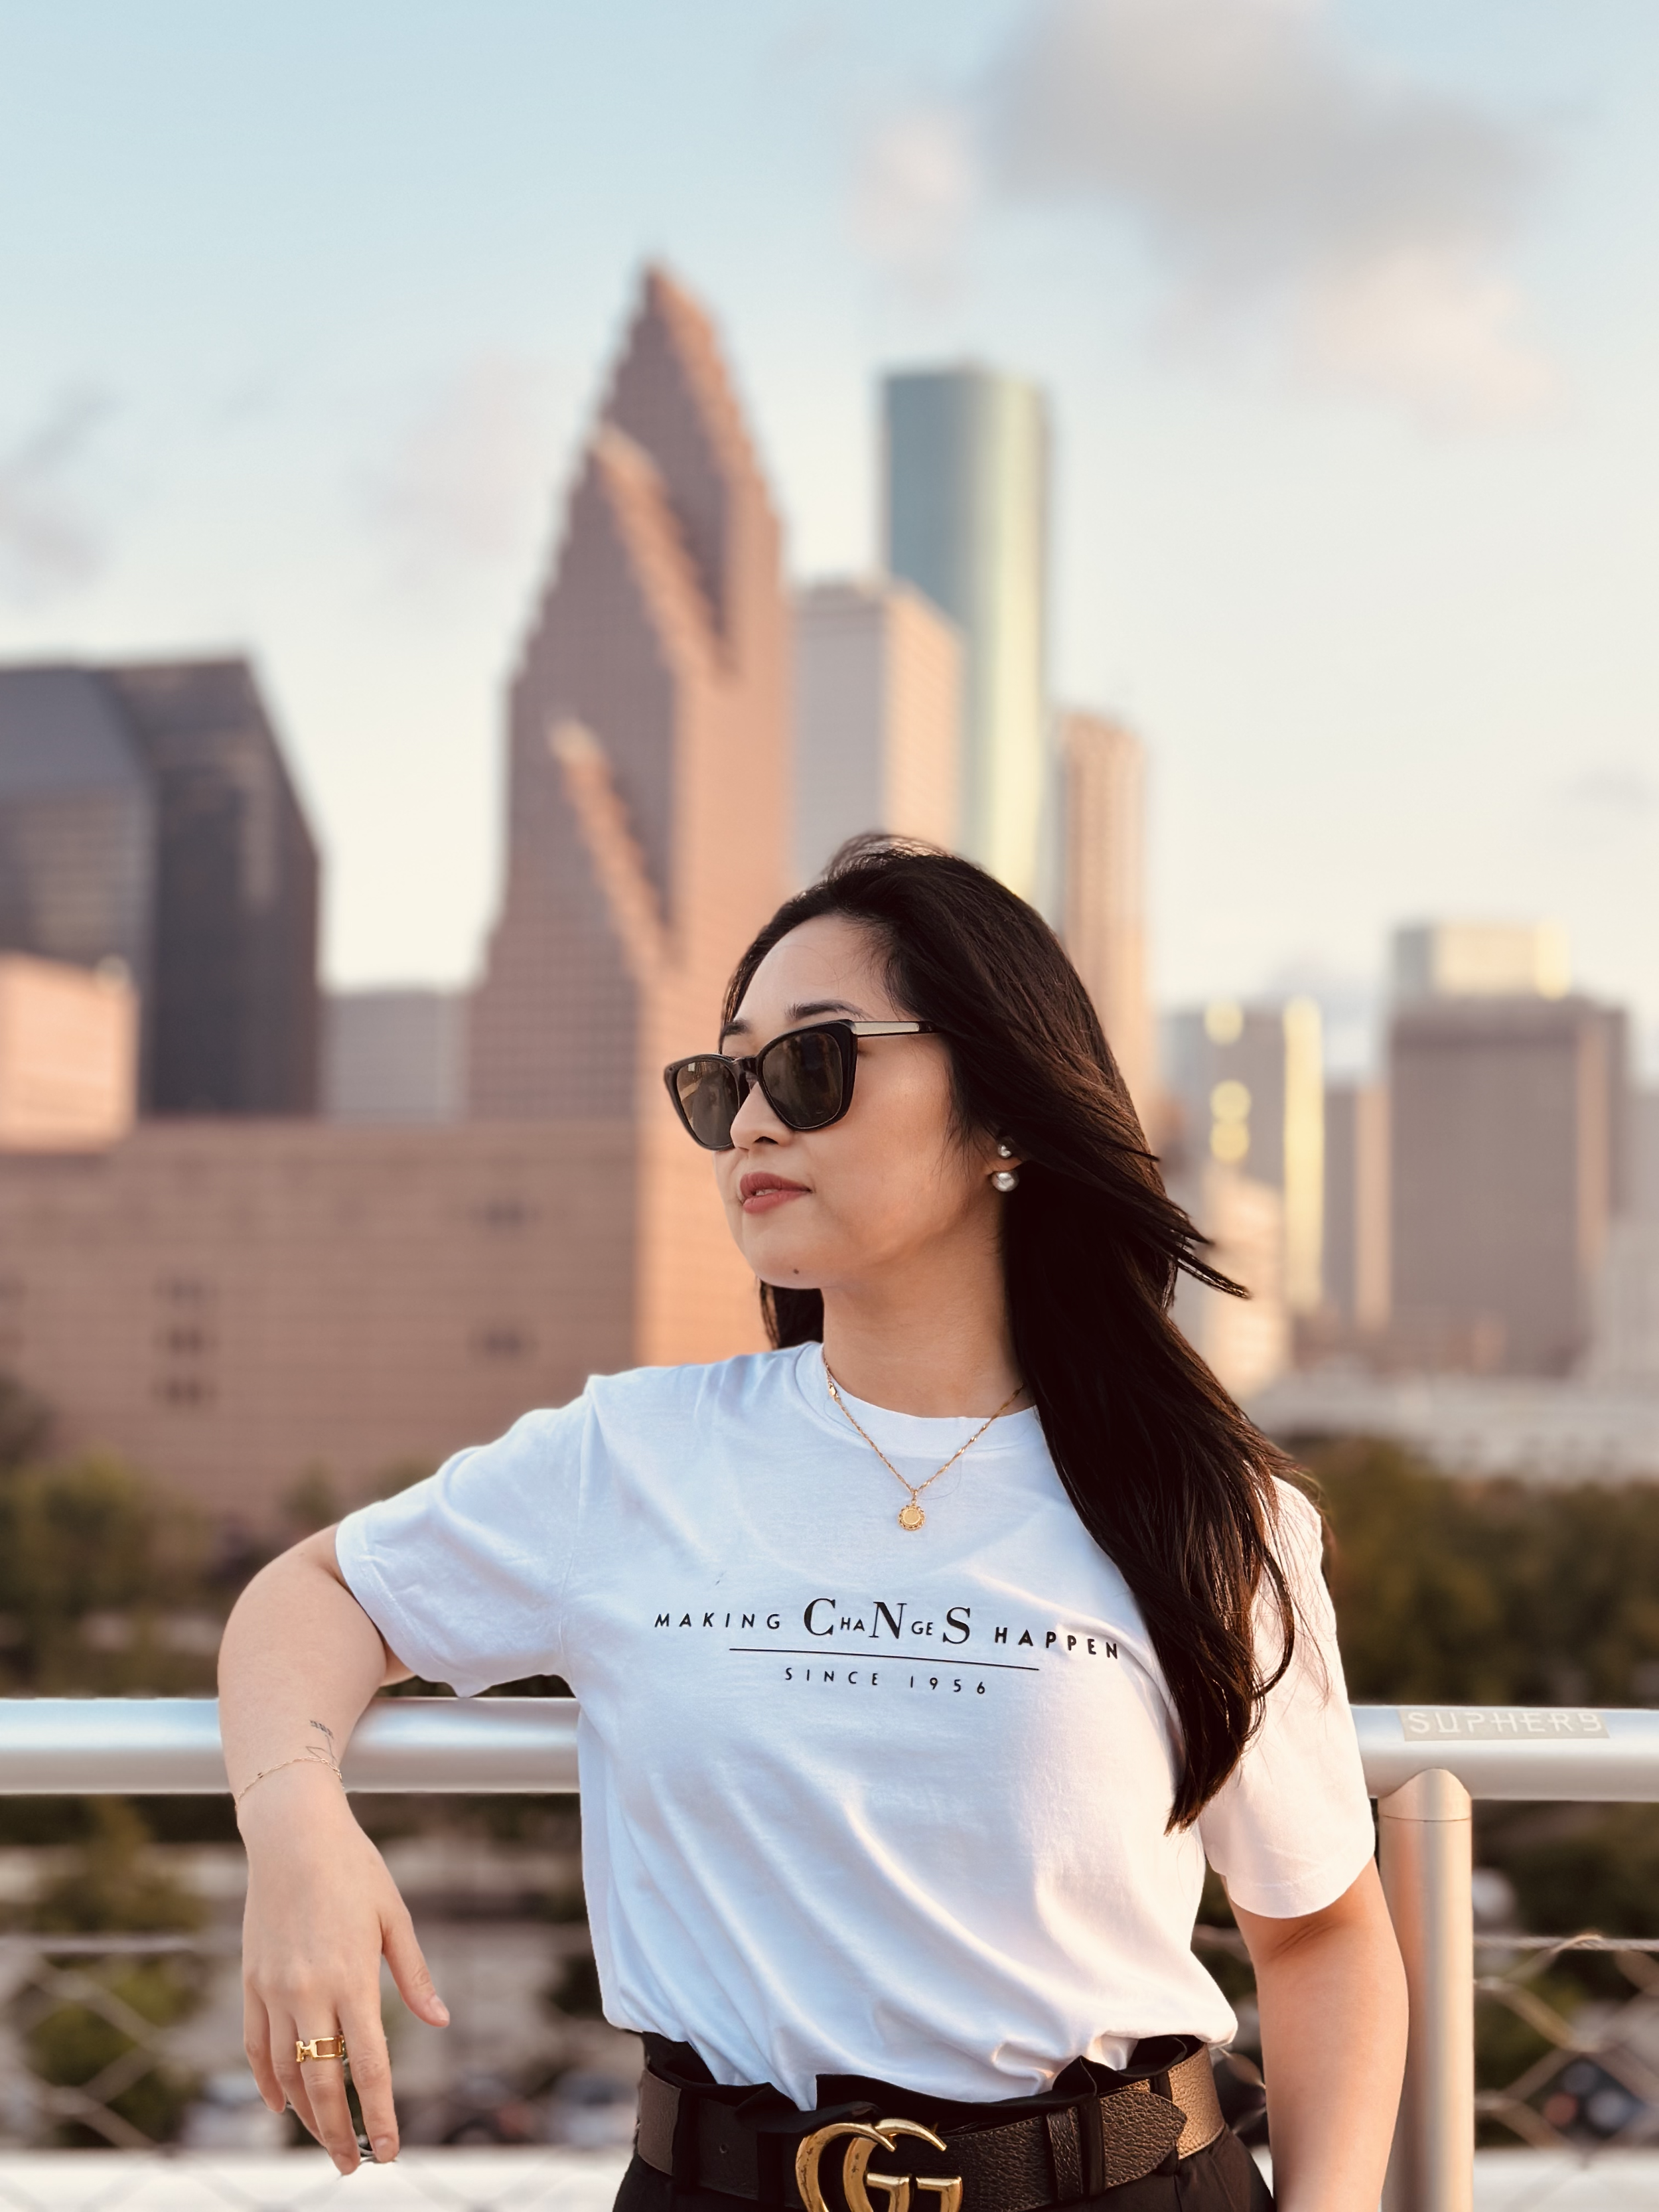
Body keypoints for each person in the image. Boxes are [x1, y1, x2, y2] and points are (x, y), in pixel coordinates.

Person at [222, 840, 1406, 2212]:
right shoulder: (629, 1455)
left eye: (813, 1064)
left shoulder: (1198, 1504)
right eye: (726, 1082)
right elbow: (313, 1596)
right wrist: (299, 1831)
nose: (751, 1126)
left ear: (1005, 1107)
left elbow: (1320, 1932)